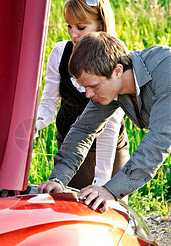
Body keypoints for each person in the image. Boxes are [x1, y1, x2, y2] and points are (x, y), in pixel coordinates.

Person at [38, 31, 171, 213]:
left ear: (117, 71)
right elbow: (84, 129)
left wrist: (110, 191)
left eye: (92, 86)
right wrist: (58, 179)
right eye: (85, 87)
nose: (88, 94)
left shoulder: (166, 69)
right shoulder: (111, 85)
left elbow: (159, 139)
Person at [35, 0, 129, 189]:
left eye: (80, 27)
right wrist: (33, 125)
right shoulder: (60, 53)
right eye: (69, 26)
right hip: (70, 147)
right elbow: (48, 104)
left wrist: (102, 182)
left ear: (101, 25)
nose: (73, 34)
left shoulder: (117, 59)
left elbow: (110, 126)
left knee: (111, 211)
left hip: (108, 152)